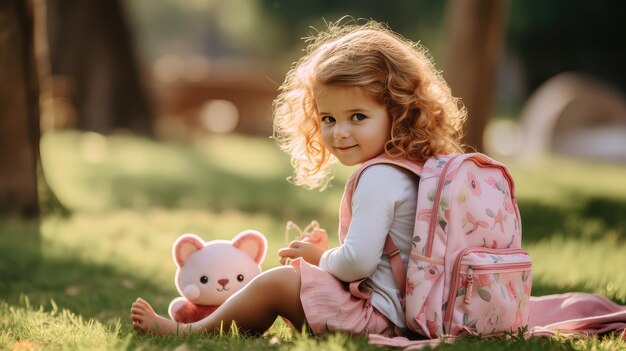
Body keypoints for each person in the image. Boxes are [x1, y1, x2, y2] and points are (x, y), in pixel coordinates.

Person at [131, 19, 466, 337]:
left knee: (279, 282)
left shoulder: (378, 176)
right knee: (299, 282)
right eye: (329, 118)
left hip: (380, 319)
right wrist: (327, 265)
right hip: (420, 312)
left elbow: (357, 264)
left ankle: (187, 330)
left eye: (358, 116)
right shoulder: (421, 167)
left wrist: (319, 260)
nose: (340, 132)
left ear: (399, 111)